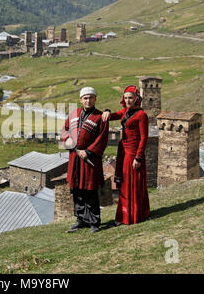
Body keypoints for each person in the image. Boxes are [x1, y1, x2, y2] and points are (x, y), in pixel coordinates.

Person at [62, 87, 109, 233]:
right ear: (81, 99)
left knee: (90, 190)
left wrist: (88, 151)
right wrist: (68, 140)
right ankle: (80, 219)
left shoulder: (100, 117)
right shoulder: (74, 114)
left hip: (90, 160)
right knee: (77, 189)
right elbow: (65, 130)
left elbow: (102, 139)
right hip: (74, 158)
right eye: (85, 98)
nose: (88, 100)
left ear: (95, 99)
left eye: (91, 97)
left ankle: (94, 221)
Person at [101, 85, 150, 225]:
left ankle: (131, 216)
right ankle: (126, 214)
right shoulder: (126, 111)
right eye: (126, 98)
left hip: (133, 153)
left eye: (131, 98)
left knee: (131, 184)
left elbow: (143, 138)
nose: (128, 100)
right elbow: (113, 116)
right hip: (123, 151)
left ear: (136, 98)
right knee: (125, 183)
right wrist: (107, 111)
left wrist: (138, 157)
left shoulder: (142, 115)